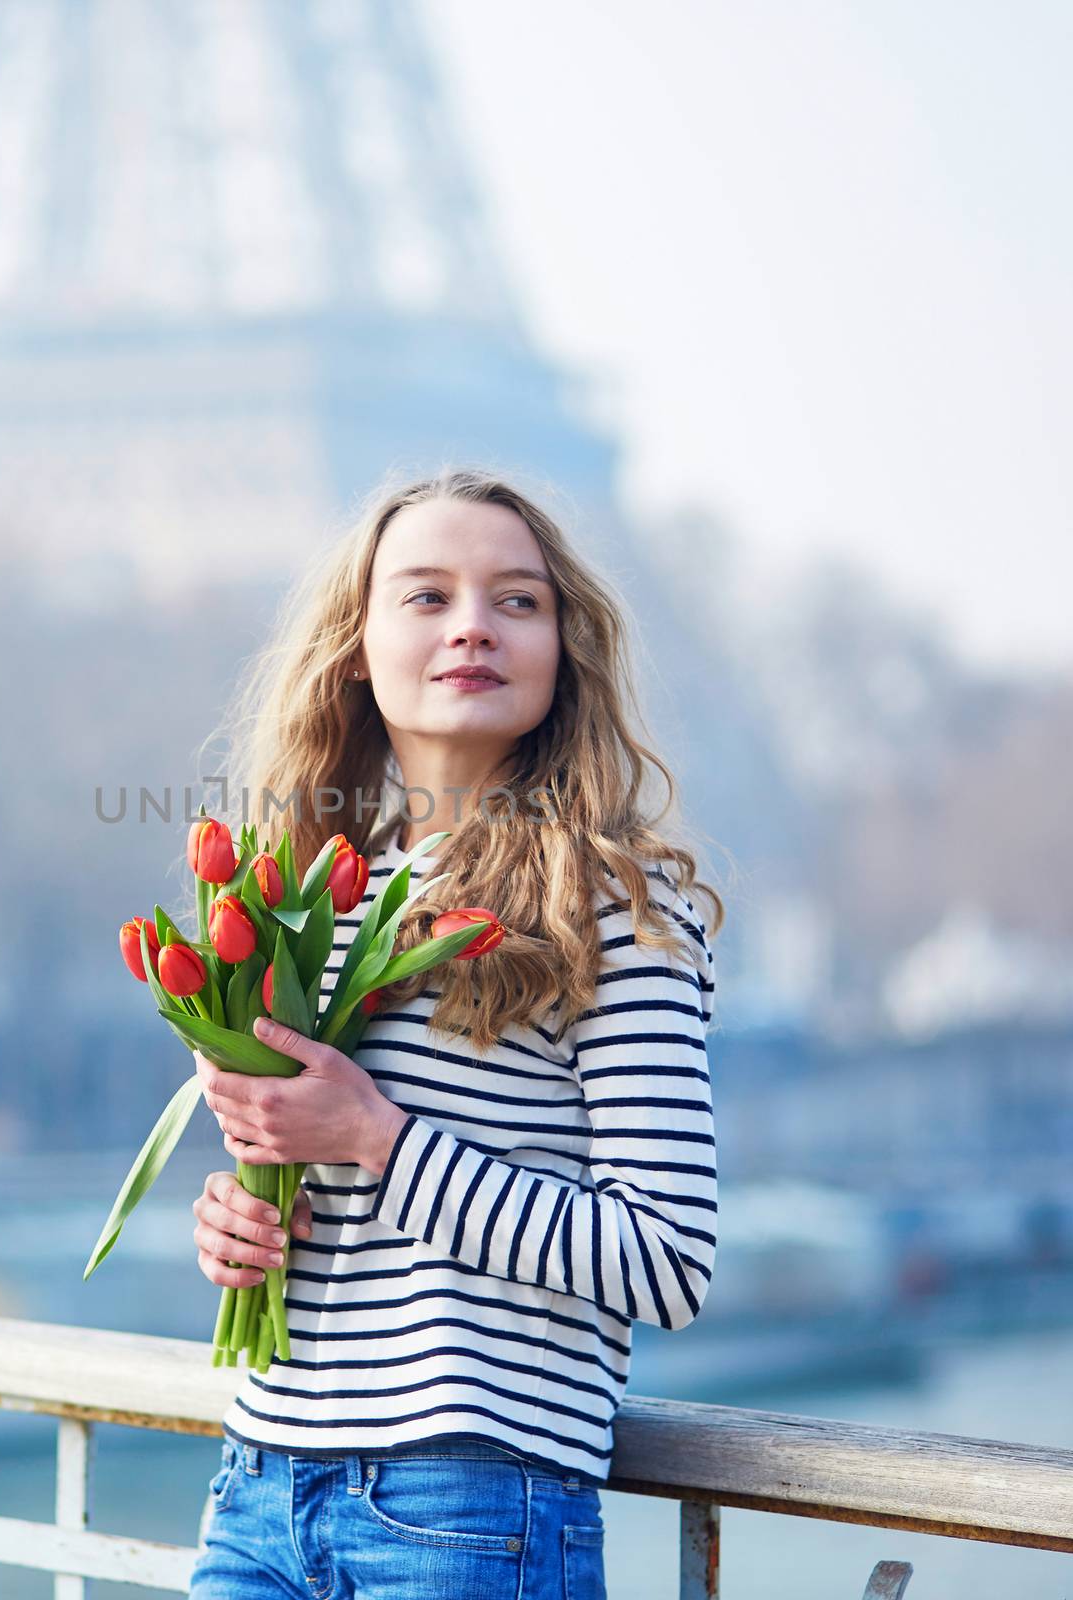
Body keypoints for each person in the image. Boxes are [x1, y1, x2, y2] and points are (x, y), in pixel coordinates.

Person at [186, 468, 724, 1599]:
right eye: (426, 596)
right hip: (258, 1482)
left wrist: (380, 1140)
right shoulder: (306, 897)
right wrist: (241, 1220)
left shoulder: (617, 909)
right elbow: (329, 1205)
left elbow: (667, 1258)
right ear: (355, 646)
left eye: (516, 601)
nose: (473, 624)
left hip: (469, 1498)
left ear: (563, 648)